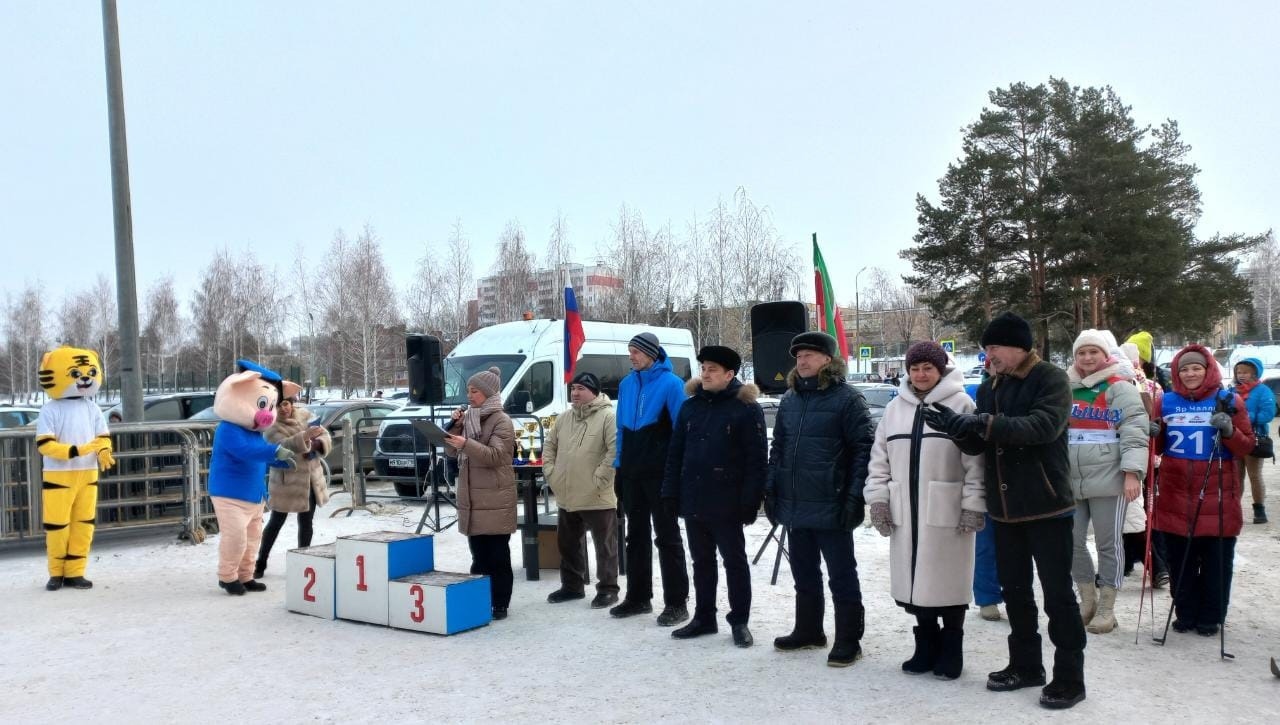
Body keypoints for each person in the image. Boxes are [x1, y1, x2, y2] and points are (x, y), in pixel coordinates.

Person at [922, 312, 1087, 710]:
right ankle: (1027, 665)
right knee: (1015, 592)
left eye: (993, 347)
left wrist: (980, 422)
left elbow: (1042, 427)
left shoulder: (1051, 378)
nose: (988, 354)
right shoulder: (990, 386)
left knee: (1058, 596)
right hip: (1005, 510)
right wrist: (959, 430)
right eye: (986, 348)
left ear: (1018, 346)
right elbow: (982, 445)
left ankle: (1070, 677)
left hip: (1047, 506)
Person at [865, 341, 985, 680]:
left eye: (927, 368)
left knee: (949, 585)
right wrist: (878, 499)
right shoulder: (894, 409)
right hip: (906, 509)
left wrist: (973, 505)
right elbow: (879, 459)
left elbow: (976, 462)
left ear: (940, 370)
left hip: (947, 511)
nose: (920, 374)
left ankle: (951, 649)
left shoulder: (962, 403)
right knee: (917, 586)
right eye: (915, 368)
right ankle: (925, 646)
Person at [766, 331, 874, 667]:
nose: (802, 360)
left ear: (828, 359)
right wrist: (772, 488)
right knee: (803, 573)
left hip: (833, 501)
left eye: (810, 355)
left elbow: (863, 451)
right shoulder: (791, 400)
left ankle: (848, 640)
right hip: (796, 503)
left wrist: (855, 498)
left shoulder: (847, 400)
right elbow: (779, 448)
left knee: (841, 575)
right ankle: (809, 630)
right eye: (798, 356)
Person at [661, 346, 766, 648]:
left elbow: (757, 460)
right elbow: (675, 453)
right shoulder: (691, 406)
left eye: (712, 370)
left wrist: (750, 501)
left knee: (734, 561)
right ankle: (704, 617)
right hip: (694, 496)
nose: (705, 374)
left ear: (730, 374)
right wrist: (670, 491)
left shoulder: (745, 407)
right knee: (701, 561)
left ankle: (740, 621)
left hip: (728, 501)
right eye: (704, 368)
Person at [1152, 345, 1253, 637]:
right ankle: (1185, 613)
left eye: (1196, 368)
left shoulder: (1227, 399)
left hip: (1216, 494)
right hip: (1174, 493)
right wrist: (1154, 435)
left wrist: (1230, 432)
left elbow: (1246, 446)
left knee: (1215, 563)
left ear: (1208, 369)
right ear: (1176, 373)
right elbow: (1157, 450)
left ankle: (1211, 616)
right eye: (1184, 369)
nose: (1190, 373)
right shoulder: (1166, 400)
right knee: (1180, 559)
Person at [1064, 330, 1149, 635]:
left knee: (1108, 543)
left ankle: (1107, 607)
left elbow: (1135, 431)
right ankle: (1087, 597)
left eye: (1093, 352)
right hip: (1071, 479)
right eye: (1081, 353)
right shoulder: (1066, 387)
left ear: (1105, 355)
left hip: (1109, 478)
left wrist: (1132, 472)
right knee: (1070, 542)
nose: (1087, 358)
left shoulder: (1119, 386)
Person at [610, 332, 691, 626]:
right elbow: (621, 429)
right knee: (636, 537)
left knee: (667, 536)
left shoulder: (672, 384)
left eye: (635, 352)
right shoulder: (626, 384)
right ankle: (638, 597)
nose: (631, 356)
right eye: (629, 351)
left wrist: (676, 473)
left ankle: (677, 602)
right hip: (631, 472)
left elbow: (682, 433)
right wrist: (619, 467)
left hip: (660, 474)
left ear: (651, 354)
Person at [35, 346, 116, 590]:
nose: (85, 377)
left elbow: (103, 436)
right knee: (57, 526)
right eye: (76, 373)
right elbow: (45, 445)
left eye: (90, 371)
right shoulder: (49, 409)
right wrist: (75, 451)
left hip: (88, 475)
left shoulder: (92, 408)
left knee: (83, 525)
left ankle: (75, 571)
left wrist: (103, 451)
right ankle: (56, 572)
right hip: (58, 475)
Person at [443, 366, 517, 620]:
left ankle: (500, 603)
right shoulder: (470, 418)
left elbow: (496, 456)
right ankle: (478, 601)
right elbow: (452, 452)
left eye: (474, 391)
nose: (470, 396)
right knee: (478, 557)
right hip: (473, 499)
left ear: (487, 393)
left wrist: (467, 443)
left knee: (497, 556)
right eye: (468, 391)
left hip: (495, 500)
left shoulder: (501, 421)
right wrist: (454, 427)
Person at [542, 372, 620, 610]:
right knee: (567, 543)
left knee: (604, 546)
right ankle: (572, 586)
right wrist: (551, 473)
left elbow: (614, 451)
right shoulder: (564, 418)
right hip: (567, 493)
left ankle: (608, 589)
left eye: (581, 389)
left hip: (597, 494)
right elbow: (549, 446)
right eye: (573, 388)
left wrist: (599, 479)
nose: (575, 393)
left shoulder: (608, 416)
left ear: (594, 392)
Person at [255, 385, 330, 579]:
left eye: (286, 403)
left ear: (292, 403)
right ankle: (260, 562)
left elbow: (324, 434)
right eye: (279, 405)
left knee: (306, 523)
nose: (283, 408)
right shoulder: (271, 425)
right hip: (285, 481)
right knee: (275, 522)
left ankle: (302, 563)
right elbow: (281, 446)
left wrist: (317, 443)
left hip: (310, 480)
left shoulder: (305, 415)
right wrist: (305, 437)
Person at [1229, 357, 1274, 524]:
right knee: (1235, 476)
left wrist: (1246, 417)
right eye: (1239, 372)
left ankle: (1259, 509)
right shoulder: (1233, 391)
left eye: (1246, 372)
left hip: (1254, 439)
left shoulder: (1263, 391)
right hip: (1234, 438)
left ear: (1255, 373)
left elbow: (1268, 415)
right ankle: (1235, 510)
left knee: (1254, 475)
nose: (1241, 375)